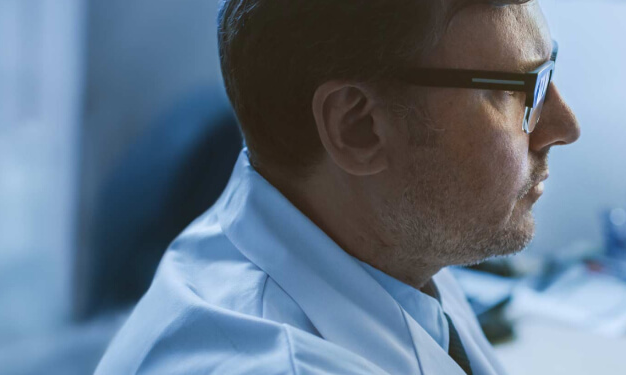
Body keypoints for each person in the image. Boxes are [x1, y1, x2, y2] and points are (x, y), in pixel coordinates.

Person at [95, 0, 580, 373]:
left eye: (548, 72)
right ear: (358, 127)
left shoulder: (386, 240)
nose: (564, 125)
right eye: (523, 90)